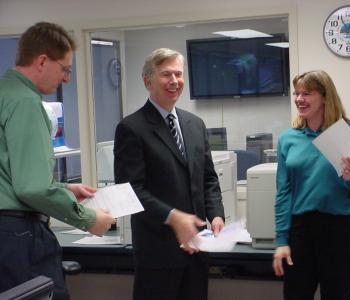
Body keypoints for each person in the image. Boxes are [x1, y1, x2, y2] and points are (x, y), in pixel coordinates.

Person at [0, 22, 116, 299]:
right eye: (64, 69)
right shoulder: (26, 103)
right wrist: (89, 219)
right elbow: (31, 189)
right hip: (18, 236)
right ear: (42, 61)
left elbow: (9, 174)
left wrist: (64, 188)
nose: (66, 79)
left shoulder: (4, 94)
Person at [114, 48, 225, 300]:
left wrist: (216, 214)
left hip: (197, 251)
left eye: (178, 74)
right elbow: (130, 191)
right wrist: (174, 217)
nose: (174, 81)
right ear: (147, 81)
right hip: (158, 254)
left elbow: (208, 178)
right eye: (166, 75)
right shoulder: (132, 128)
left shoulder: (195, 124)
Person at [272, 70, 350, 300]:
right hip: (300, 232)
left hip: (339, 230)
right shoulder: (288, 139)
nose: (299, 99)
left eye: (307, 93)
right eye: (297, 94)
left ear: (325, 97)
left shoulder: (349, 133)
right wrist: (281, 240)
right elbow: (283, 193)